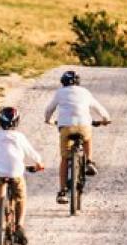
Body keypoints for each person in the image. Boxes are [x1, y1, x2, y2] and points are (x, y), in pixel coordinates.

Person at [43, 70, 111, 205]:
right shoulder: (85, 92)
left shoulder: (60, 93)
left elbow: (49, 109)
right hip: (84, 125)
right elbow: (98, 108)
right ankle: (89, 161)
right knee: (87, 138)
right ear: (78, 82)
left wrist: (48, 120)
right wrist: (106, 119)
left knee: (64, 158)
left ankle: (62, 191)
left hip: (66, 127)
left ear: (63, 83)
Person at [0, 107, 45, 245]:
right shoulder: (19, 136)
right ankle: (19, 226)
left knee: (1, 181)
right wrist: (39, 163)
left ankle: (1, 206)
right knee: (21, 196)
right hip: (16, 171)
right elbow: (30, 152)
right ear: (17, 122)